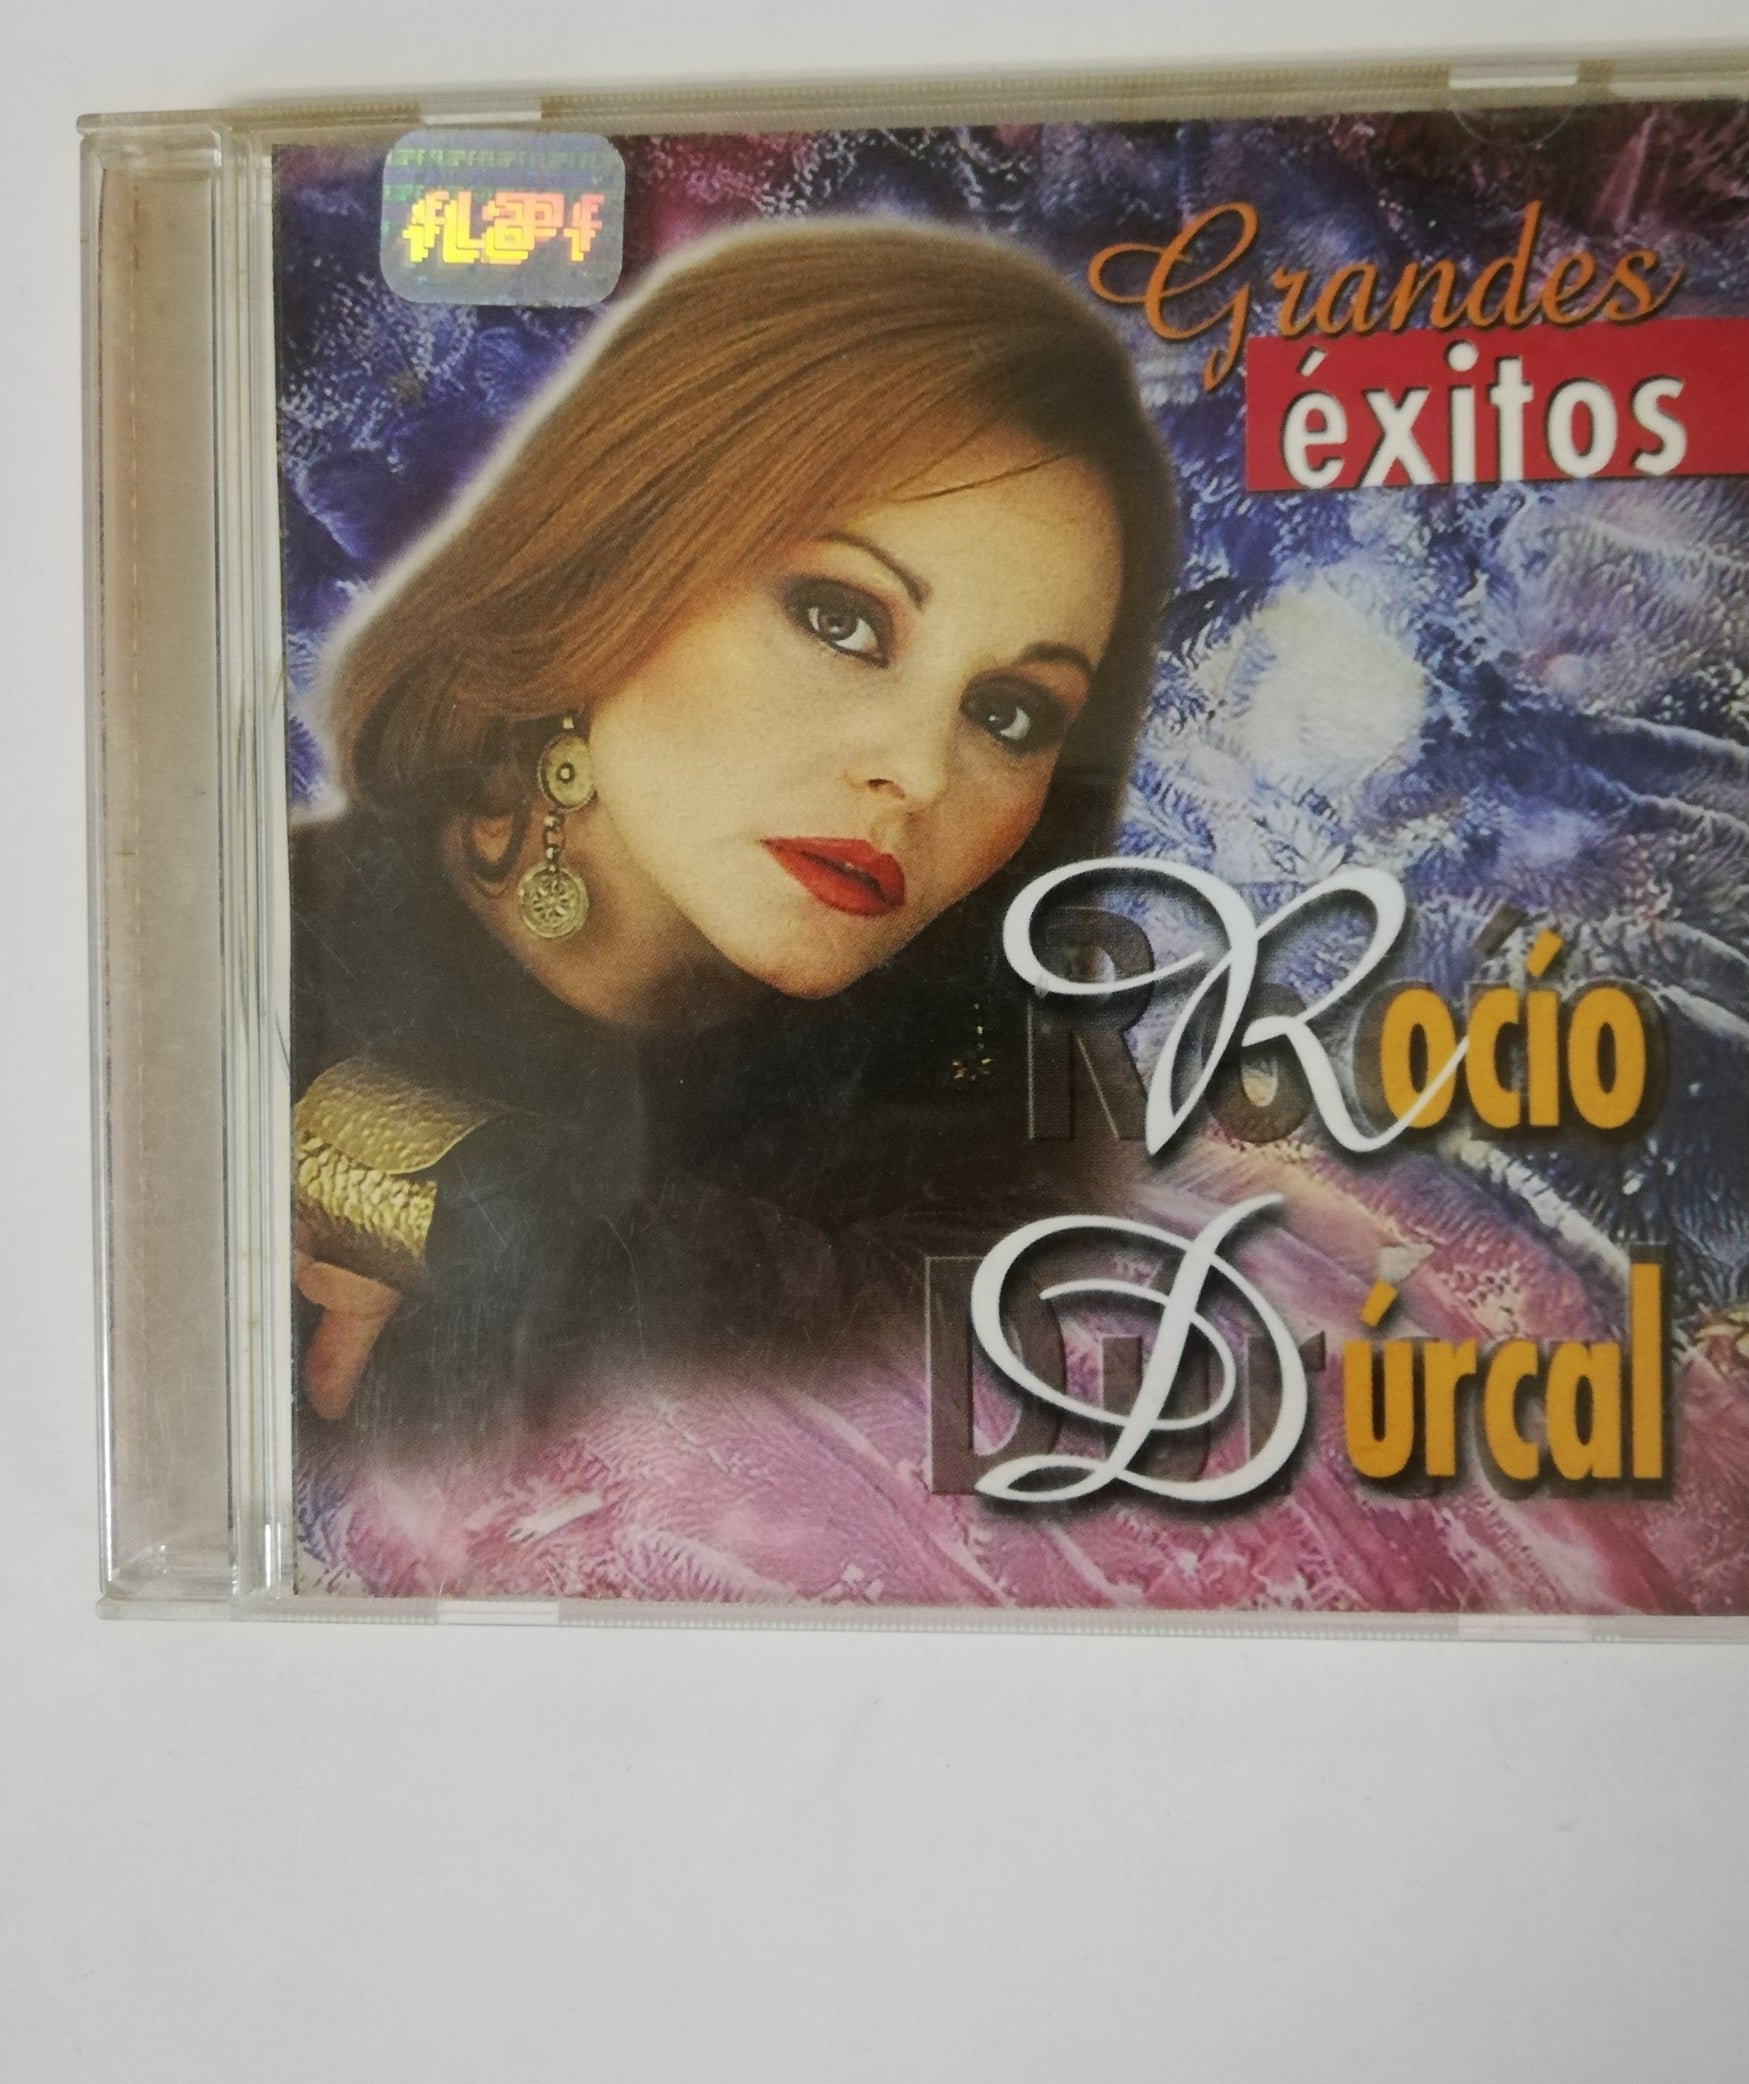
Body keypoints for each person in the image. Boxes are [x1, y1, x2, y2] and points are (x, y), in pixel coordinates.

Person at [289, 219, 1177, 1434]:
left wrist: (490, 1214)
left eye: (1008, 713)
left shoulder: (1010, 1097)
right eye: (841, 619)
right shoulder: (251, 955)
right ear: (611, 562)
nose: (919, 773)